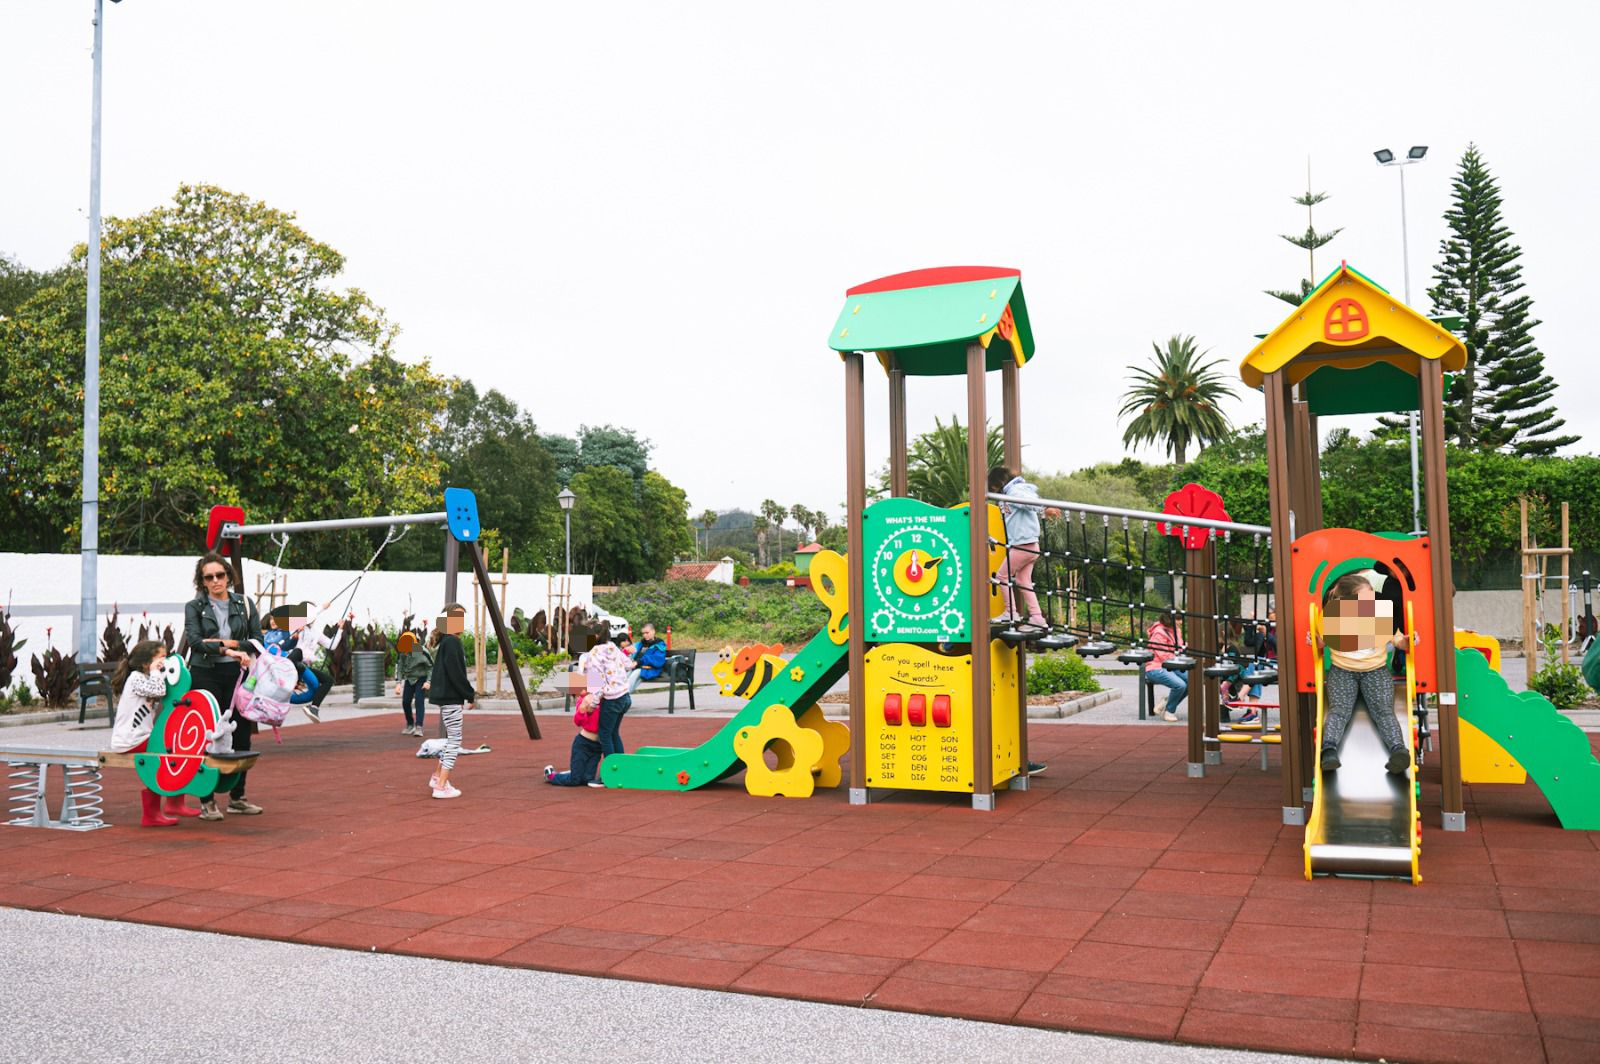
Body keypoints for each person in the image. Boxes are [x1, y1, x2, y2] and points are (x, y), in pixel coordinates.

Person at [182, 552, 262, 822]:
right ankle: (207, 800)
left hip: (238, 673)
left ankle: (238, 797)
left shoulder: (245, 604)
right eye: (209, 577)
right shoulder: (194, 607)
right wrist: (229, 649)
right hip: (206, 673)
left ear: (229, 576)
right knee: (209, 735)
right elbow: (195, 642)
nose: (216, 581)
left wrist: (229, 646)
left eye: (220, 575)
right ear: (202, 581)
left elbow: (257, 640)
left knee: (241, 733)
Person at [1317, 574, 1412, 775]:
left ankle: (1398, 750)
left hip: (1375, 671)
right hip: (1343, 671)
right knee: (1339, 711)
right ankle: (1329, 750)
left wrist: (1407, 641)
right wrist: (1314, 640)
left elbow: (1397, 640)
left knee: (1384, 710)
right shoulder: (1333, 617)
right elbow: (1322, 642)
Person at [109, 640, 194, 827]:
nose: (164, 661)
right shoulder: (136, 678)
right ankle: (154, 813)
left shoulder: (145, 677)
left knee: (175, 747)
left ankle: (173, 803)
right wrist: (157, 672)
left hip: (141, 736)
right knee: (165, 754)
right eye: (161, 657)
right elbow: (159, 690)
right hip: (129, 739)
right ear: (146, 662)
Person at [988, 465, 1053, 630]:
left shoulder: (1015, 492)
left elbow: (1029, 503)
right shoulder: (1011, 492)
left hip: (1023, 545)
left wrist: (1045, 509)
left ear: (999, 483)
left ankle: (1011, 613)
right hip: (1029, 545)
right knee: (1024, 581)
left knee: (1002, 576)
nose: (994, 491)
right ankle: (1037, 617)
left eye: (993, 487)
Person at [426, 604, 474, 799]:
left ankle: (437, 777)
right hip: (451, 698)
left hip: (447, 697)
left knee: (450, 739)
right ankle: (441, 786)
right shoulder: (452, 642)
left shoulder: (447, 641)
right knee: (454, 741)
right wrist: (469, 694)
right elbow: (457, 673)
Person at [580, 625, 634, 778]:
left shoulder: (594, 654)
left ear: (595, 637)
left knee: (604, 734)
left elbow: (598, 683)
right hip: (625, 696)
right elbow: (629, 664)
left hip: (612, 699)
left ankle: (612, 772)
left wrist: (592, 703)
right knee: (613, 733)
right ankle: (622, 768)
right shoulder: (613, 647)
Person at [544, 691, 603, 787]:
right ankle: (551, 776)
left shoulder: (604, 697)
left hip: (597, 747)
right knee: (574, 780)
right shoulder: (584, 699)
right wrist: (582, 710)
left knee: (587, 780)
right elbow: (578, 721)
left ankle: (575, 771)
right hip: (583, 744)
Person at [1144, 609, 1188, 723]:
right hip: (1155, 667)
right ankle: (1169, 711)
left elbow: (1178, 647)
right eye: (1178, 619)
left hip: (1172, 664)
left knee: (1192, 681)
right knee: (1180, 685)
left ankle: (1167, 702)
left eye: (1181, 619)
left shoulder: (1176, 630)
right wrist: (1178, 657)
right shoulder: (1158, 633)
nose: (1181, 622)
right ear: (1170, 619)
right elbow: (1163, 655)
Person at [394, 629, 433, 737]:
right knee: (406, 701)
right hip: (410, 679)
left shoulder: (421, 651)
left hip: (421, 678)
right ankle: (410, 724)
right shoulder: (402, 653)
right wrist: (398, 683)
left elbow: (431, 667)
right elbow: (399, 667)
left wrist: (428, 681)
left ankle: (419, 726)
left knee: (419, 701)